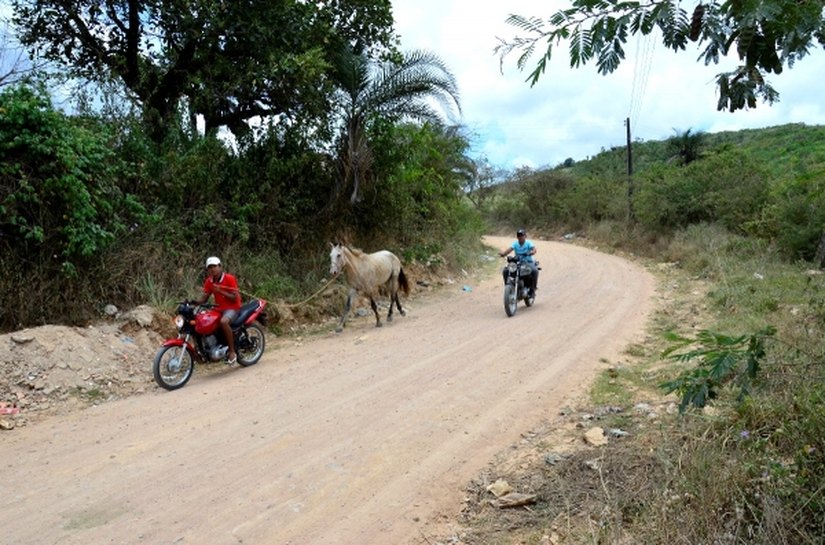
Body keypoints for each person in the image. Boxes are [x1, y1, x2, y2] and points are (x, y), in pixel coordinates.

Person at [195, 256, 242, 364]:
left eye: (215, 266)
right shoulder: (209, 281)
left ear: (220, 266)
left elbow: (236, 297)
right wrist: (195, 302)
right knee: (203, 321)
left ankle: (231, 351)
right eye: (210, 267)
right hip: (218, 308)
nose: (212, 269)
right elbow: (205, 297)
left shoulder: (229, 278)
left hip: (232, 308)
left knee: (223, 322)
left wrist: (221, 292)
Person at [499, 228, 539, 297]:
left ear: (525, 236)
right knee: (505, 270)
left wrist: (531, 252)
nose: (520, 237)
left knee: (534, 270)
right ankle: (508, 286)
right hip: (517, 262)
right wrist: (503, 254)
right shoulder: (515, 244)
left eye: (522, 235)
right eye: (519, 236)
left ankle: (532, 290)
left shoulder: (528, 243)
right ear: (517, 237)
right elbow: (509, 249)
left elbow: (534, 249)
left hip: (527, 262)